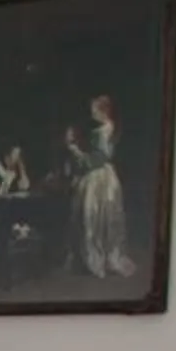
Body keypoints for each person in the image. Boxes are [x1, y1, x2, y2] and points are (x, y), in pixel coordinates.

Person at [68, 95, 134, 280]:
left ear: (103, 111)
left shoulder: (102, 131)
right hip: (105, 176)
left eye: (95, 110)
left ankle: (95, 258)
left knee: (94, 217)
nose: (92, 113)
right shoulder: (108, 128)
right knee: (99, 218)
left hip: (99, 178)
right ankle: (97, 256)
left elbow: (96, 160)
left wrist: (75, 151)